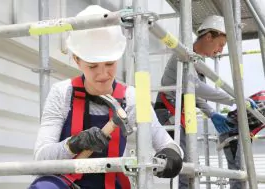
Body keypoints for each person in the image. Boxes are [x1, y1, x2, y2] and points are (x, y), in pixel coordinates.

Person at [29, 5, 183, 189]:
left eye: (109, 64)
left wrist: (171, 157)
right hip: (67, 185)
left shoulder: (132, 98)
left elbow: (169, 144)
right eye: (93, 66)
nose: (103, 74)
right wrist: (74, 144)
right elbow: (40, 158)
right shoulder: (62, 93)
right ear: (77, 60)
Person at [154, 15, 255, 189]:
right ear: (208, 37)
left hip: (179, 112)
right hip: (168, 111)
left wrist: (213, 113)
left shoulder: (198, 63)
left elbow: (196, 95)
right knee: (185, 166)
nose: (220, 50)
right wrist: (234, 99)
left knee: (189, 164)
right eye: (220, 44)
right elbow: (195, 87)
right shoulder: (184, 55)